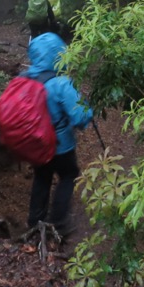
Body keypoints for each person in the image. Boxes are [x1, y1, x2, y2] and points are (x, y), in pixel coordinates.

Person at [24, 32, 93, 236]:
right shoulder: (60, 83)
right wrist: (89, 112)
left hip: (35, 143)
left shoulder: (26, 79)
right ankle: (58, 224)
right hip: (60, 145)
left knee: (42, 177)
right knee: (68, 174)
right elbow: (80, 116)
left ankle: (35, 221)